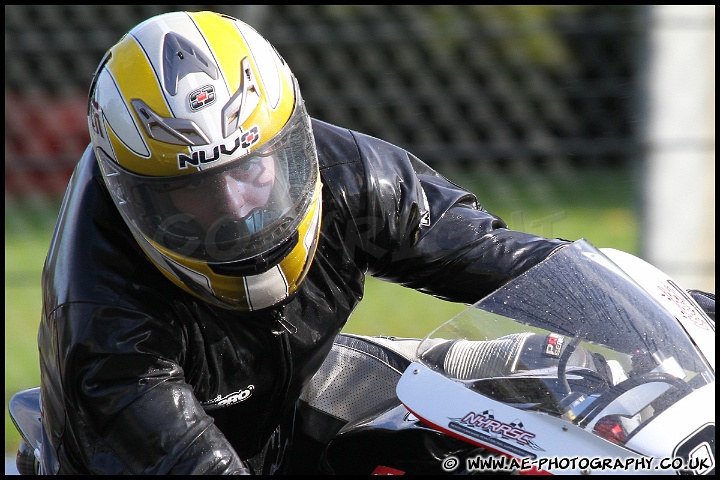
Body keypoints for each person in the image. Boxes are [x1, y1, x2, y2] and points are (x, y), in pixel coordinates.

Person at [36, 10, 713, 475]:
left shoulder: (354, 178)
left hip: (300, 390)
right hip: (161, 450)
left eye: (250, 170)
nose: (238, 209)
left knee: (535, 383)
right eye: (196, 191)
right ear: (136, 197)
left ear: (291, 140)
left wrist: (691, 315)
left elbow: (505, 263)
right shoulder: (107, 328)